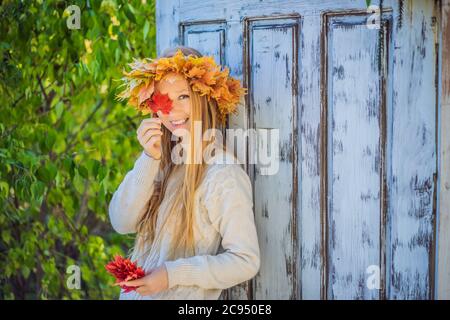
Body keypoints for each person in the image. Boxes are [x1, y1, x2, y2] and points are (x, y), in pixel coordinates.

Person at [108, 46, 260, 299]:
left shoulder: (221, 172)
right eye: (162, 99)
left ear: (203, 97)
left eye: (183, 97)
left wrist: (171, 274)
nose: (172, 110)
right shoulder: (162, 160)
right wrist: (149, 158)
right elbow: (121, 222)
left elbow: (246, 260)